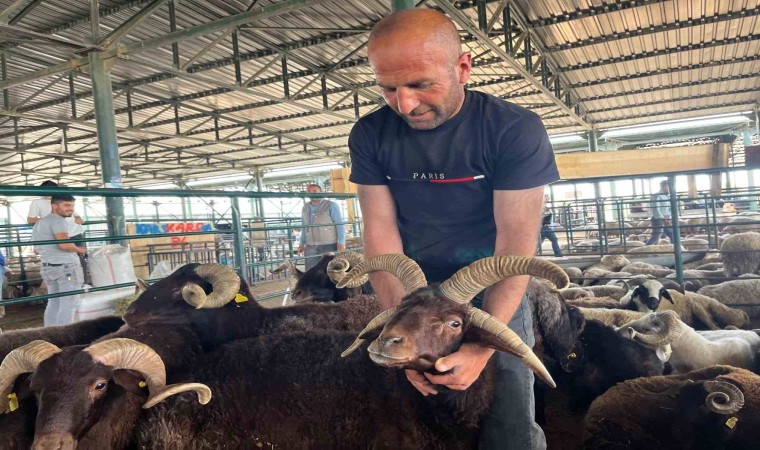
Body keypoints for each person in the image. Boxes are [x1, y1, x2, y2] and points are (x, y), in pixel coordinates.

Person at [348, 9, 559, 450]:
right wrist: (402, 328)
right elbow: (381, 232)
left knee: (508, 420)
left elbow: (515, 243)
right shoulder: (370, 134)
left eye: (420, 84)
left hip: (490, 290)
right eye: (388, 88)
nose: (405, 104)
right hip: (412, 293)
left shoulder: (513, 129)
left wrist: (483, 346)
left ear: (463, 67)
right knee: (415, 417)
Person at [32, 195, 86, 326]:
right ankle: (64, 335)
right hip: (66, 268)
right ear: (54, 206)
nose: (70, 209)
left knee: (54, 303)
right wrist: (79, 249)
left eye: (72, 205)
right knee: (68, 304)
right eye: (66, 205)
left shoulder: (40, 223)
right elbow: (64, 245)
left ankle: (50, 333)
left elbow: (37, 250)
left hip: (48, 267)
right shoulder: (58, 221)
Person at [27, 180, 89, 283]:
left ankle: (83, 283)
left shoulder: (62, 199)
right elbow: (31, 220)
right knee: (62, 259)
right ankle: (68, 283)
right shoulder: (37, 203)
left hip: (74, 232)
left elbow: (74, 212)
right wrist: (50, 220)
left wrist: (78, 217)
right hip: (57, 234)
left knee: (80, 259)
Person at [297, 184, 346, 271]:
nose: (312, 193)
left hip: (328, 244)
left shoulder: (331, 205)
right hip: (310, 244)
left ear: (320, 192)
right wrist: (301, 243)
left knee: (329, 270)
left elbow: (339, 225)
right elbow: (304, 226)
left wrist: (341, 243)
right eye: (309, 191)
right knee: (310, 271)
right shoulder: (305, 207)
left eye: (314, 191)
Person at [646, 180, 674, 245]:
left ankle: (675, 249)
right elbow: (656, 209)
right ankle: (647, 249)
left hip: (666, 218)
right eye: (668, 186)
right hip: (658, 219)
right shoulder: (656, 195)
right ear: (663, 186)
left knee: (672, 234)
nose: (670, 188)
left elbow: (669, 208)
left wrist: (669, 217)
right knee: (656, 237)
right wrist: (663, 219)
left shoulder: (668, 195)